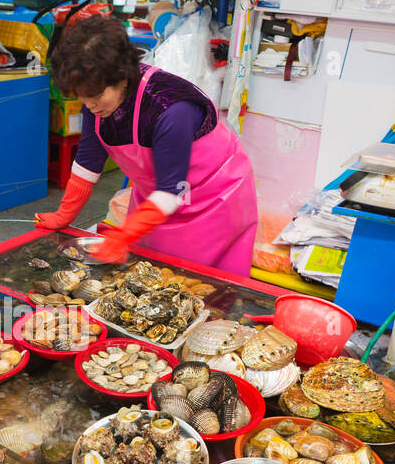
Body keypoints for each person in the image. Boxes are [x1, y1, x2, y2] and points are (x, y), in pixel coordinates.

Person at [35, 15, 257, 274]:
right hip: (156, 197)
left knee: (198, 284)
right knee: (146, 271)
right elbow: (88, 160)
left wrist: (122, 236)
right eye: (82, 98)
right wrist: (64, 216)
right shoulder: (95, 99)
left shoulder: (170, 108)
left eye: (95, 97)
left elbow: (171, 189)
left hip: (214, 198)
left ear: (122, 77)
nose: (89, 105)